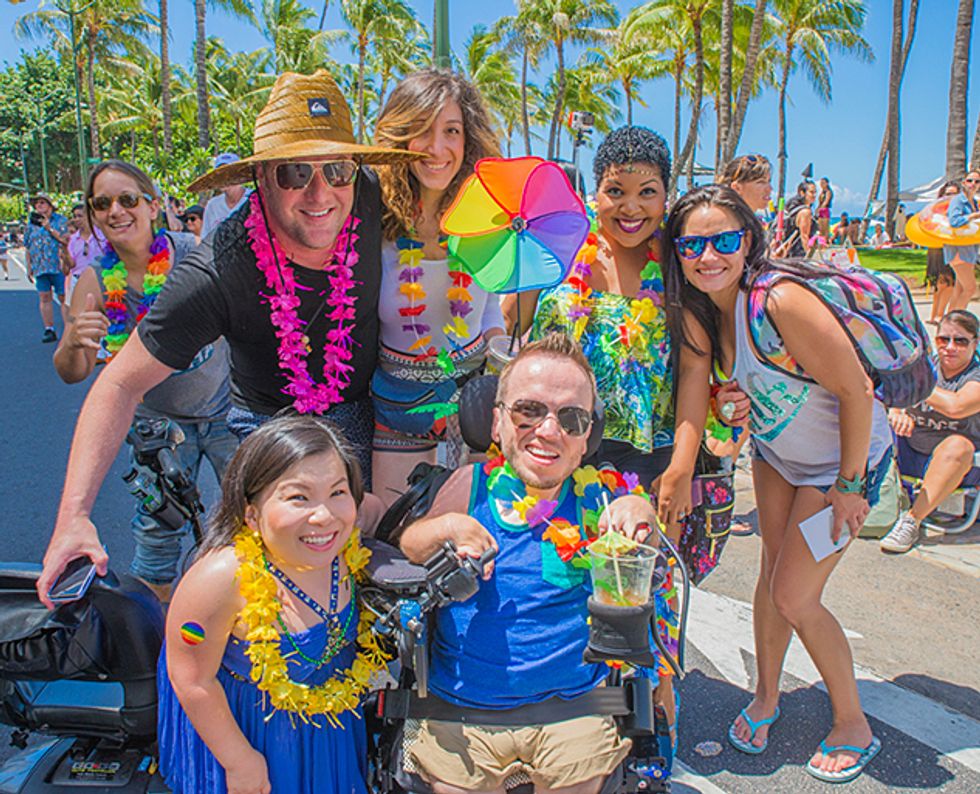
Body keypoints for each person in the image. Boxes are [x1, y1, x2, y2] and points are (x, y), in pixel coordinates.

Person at [36, 69, 419, 606]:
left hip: (360, 414)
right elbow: (118, 386)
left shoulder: (368, 196)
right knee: (270, 593)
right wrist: (72, 518)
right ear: (261, 178)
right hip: (267, 427)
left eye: (336, 168)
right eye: (293, 173)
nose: (320, 193)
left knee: (372, 580)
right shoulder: (218, 268)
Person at [661, 184, 892, 783]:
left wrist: (850, 484)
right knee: (769, 576)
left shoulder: (779, 300)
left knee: (795, 596)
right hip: (777, 460)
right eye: (692, 244)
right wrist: (733, 406)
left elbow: (857, 391)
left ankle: (852, 724)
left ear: (749, 240)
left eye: (724, 240)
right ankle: (767, 696)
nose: (708, 255)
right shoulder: (712, 308)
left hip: (840, 468)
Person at [398, 333, 674, 793]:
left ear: (588, 436)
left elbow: (647, 547)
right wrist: (446, 528)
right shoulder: (470, 485)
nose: (549, 431)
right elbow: (411, 543)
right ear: (497, 422)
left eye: (571, 418)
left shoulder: (598, 497)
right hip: (461, 711)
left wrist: (641, 513)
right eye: (529, 411)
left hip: (573, 710)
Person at [158, 414, 384, 793]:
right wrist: (240, 761)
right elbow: (191, 677)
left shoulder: (345, 547)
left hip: (331, 735)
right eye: (299, 497)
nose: (324, 515)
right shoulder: (221, 578)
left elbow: (381, 510)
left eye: (337, 492)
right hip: (247, 737)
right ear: (251, 513)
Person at [53, 160, 236, 603]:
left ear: (153, 207)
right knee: (157, 539)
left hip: (224, 412)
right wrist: (75, 342)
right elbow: (73, 372)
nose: (116, 210)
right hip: (159, 430)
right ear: (94, 216)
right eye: (102, 203)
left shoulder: (192, 252)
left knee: (255, 517)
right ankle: (156, 647)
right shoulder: (94, 281)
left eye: (128, 199)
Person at [512, 126, 711, 532]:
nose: (631, 207)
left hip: (648, 456)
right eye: (616, 191)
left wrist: (682, 465)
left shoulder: (679, 264)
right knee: (554, 573)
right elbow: (511, 326)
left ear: (665, 197)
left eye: (647, 192)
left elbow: (695, 367)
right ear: (596, 192)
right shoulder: (558, 246)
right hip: (553, 442)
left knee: (638, 581)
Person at [370, 69, 504, 506]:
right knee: (395, 539)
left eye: (451, 131)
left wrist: (507, 355)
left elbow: (487, 315)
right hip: (396, 407)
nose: (438, 148)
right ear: (400, 136)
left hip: (474, 410)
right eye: (423, 131)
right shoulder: (373, 220)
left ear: (468, 141)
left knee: (468, 548)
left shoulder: (486, 221)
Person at [883, 310, 980, 553]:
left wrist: (917, 385)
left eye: (960, 341)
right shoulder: (926, 366)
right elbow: (891, 393)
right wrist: (897, 411)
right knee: (871, 418)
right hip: (910, 447)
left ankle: (912, 520)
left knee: (958, 444)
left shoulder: (974, 376)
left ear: (975, 343)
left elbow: (956, 406)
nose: (950, 347)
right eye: (943, 339)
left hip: (957, 464)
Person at [24, 193, 69, 342]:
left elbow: (65, 240)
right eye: (37, 204)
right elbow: (28, 246)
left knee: (63, 296)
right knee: (44, 297)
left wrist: (49, 228)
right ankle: (49, 329)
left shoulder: (60, 221)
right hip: (40, 266)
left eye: (42, 203)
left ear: (50, 206)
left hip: (57, 264)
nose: (39, 206)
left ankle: (69, 330)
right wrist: (29, 266)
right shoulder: (31, 225)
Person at [944, 169, 980, 311]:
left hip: (969, 250)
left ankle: (949, 321)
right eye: (970, 180)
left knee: (959, 290)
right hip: (958, 250)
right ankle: (957, 322)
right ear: (964, 183)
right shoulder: (958, 200)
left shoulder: (974, 202)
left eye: (977, 181)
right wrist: (972, 216)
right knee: (970, 288)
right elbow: (954, 221)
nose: (973, 184)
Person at [926, 182, 961, 324]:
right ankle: (938, 315)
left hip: (951, 247)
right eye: (948, 194)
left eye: (954, 194)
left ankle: (936, 315)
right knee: (945, 283)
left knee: (944, 283)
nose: (951, 197)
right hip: (939, 249)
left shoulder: (959, 210)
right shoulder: (937, 210)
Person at [201, 153, 250, 237]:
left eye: (228, 173)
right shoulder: (212, 206)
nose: (223, 178)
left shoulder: (253, 199)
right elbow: (205, 238)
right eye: (219, 174)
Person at [65, 202, 106, 301]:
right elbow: (71, 264)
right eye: (74, 216)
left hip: (99, 279)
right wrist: (64, 250)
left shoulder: (102, 235)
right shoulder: (73, 239)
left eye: (80, 216)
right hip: (78, 279)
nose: (76, 219)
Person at [781, 180, 816, 258]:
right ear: (802, 193)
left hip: (789, 253)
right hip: (799, 254)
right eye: (811, 192)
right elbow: (804, 236)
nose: (814, 195)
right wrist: (810, 257)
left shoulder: (794, 210)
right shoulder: (805, 212)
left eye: (815, 192)